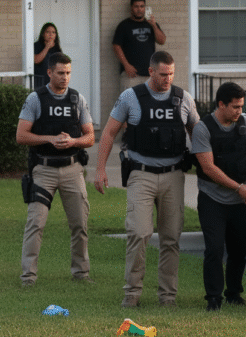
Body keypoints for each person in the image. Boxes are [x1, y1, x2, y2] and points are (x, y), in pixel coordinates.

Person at [94, 51, 199, 308]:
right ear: (151, 71)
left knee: (171, 238)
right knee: (139, 233)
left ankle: (167, 298)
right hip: (141, 174)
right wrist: (100, 170)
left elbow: (199, 134)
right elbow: (108, 132)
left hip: (174, 175)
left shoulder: (183, 98)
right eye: (163, 74)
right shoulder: (131, 97)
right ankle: (132, 295)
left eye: (171, 74)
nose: (168, 79)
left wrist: (207, 167)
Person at [16, 52, 95, 287]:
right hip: (44, 170)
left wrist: (73, 142)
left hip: (73, 169)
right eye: (61, 73)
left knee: (80, 224)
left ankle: (81, 274)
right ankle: (28, 277)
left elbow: (90, 137)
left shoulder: (76, 99)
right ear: (49, 72)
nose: (65, 77)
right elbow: (21, 136)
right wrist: (50, 139)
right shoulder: (36, 99)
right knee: (35, 224)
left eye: (69, 73)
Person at [192, 82, 246, 311]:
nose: (239, 111)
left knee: (239, 250)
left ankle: (234, 293)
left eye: (241, 106)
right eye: (234, 107)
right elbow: (209, 168)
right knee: (214, 249)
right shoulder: (203, 128)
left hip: (240, 201)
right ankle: (213, 297)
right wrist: (239, 188)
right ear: (221, 104)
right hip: (213, 200)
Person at [113, 0, 166, 93]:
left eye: (142, 6)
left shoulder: (151, 24)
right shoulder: (124, 25)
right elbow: (116, 46)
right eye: (136, 6)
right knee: (129, 105)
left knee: (149, 104)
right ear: (131, 8)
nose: (139, 9)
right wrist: (126, 66)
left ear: (145, 8)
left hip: (149, 74)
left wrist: (154, 25)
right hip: (131, 75)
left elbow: (162, 41)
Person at [34, 22, 63, 89]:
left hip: (53, 83)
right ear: (43, 34)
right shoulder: (37, 45)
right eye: (48, 32)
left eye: (53, 32)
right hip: (39, 82)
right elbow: (36, 60)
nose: (51, 34)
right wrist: (47, 47)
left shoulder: (57, 49)